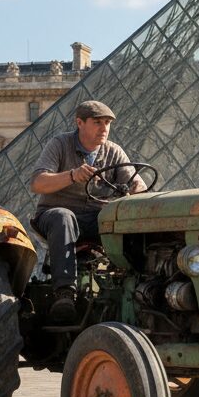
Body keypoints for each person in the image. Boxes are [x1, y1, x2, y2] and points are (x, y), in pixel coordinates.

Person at [30, 100, 146, 323]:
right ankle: (65, 293)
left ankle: (136, 284)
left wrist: (139, 191)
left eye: (108, 123)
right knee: (64, 217)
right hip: (53, 216)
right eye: (98, 122)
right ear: (79, 123)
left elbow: (134, 183)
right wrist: (72, 175)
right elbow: (37, 183)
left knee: (123, 216)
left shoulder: (114, 151)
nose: (104, 128)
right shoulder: (60, 144)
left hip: (96, 218)